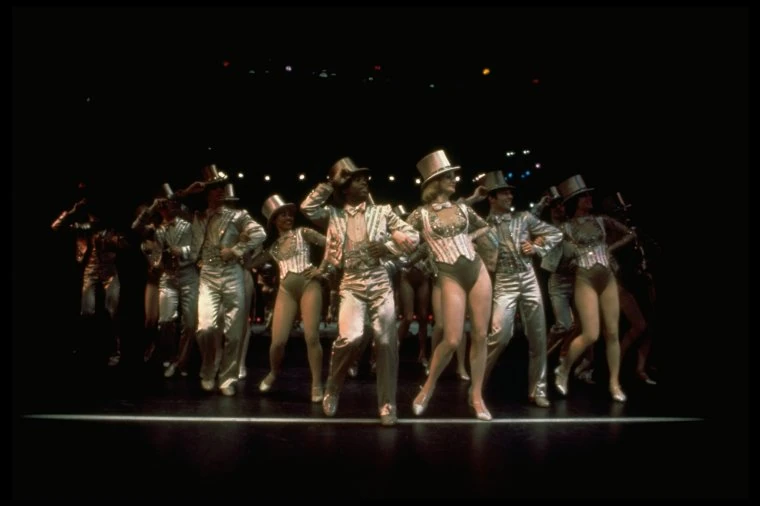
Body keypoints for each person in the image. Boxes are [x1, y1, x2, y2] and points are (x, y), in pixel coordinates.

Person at [301, 156, 419, 426]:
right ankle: (332, 388)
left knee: (386, 342)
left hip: (379, 280)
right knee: (351, 338)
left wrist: (388, 246)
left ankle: (387, 404)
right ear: (345, 187)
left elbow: (414, 236)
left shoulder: (383, 211)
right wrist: (331, 183)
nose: (365, 182)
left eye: (365, 178)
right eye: (357, 179)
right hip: (351, 283)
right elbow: (307, 207)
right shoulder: (334, 215)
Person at [405, 149, 494, 421]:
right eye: (448, 176)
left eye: (453, 176)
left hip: (477, 270)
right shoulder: (420, 215)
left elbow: (485, 226)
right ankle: (427, 388)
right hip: (449, 276)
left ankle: (477, 396)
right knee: (452, 338)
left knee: (480, 335)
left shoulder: (463, 209)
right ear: (435, 182)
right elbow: (403, 239)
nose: (454, 179)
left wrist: (472, 239)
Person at [480, 170, 563, 408]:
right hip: (504, 281)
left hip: (528, 278)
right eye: (504, 193)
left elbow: (555, 233)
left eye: (510, 193)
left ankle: (537, 390)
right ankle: (478, 384)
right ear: (492, 198)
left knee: (538, 337)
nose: (509, 196)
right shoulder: (483, 226)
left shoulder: (523, 218)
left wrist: (536, 247)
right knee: (500, 336)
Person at [553, 175, 635, 403]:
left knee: (613, 332)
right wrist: (571, 260)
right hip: (585, 278)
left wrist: (610, 248)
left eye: (589, 195)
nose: (589, 199)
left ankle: (614, 383)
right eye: (584, 196)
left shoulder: (601, 220)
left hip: (607, 276)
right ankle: (564, 369)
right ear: (575, 201)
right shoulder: (566, 227)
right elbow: (554, 255)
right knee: (591, 334)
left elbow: (630, 233)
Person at [187, 164, 267, 396]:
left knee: (233, 332)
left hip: (232, 274)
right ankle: (208, 368)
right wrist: (187, 192)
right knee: (205, 328)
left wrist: (236, 250)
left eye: (221, 186)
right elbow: (169, 205)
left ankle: (227, 378)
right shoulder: (198, 216)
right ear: (206, 192)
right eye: (214, 187)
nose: (219, 191)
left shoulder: (237, 215)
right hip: (208, 275)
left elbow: (260, 233)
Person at [256, 193, 327, 403]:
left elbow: (332, 243)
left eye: (290, 214)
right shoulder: (273, 248)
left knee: (311, 337)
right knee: (278, 342)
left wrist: (322, 269)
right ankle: (273, 372)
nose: (288, 217)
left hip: (309, 286)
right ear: (274, 220)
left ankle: (317, 383)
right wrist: (246, 244)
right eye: (283, 215)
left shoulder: (303, 232)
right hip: (286, 291)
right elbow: (250, 263)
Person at [52, 192, 127, 366]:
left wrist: (114, 241)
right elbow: (55, 227)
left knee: (112, 312)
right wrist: (71, 212)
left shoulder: (111, 228)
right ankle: (87, 348)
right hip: (90, 271)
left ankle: (115, 351)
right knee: (86, 312)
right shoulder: (83, 227)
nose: (95, 218)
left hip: (109, 271)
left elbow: (125, 243)